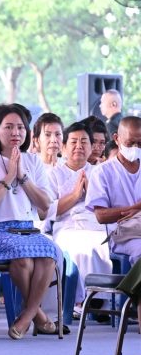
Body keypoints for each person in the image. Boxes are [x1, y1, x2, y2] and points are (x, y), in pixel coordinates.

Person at [0, 104, 60, 340]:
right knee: (22, 258)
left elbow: (45, 204)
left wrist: (22, 176)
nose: (15, 132)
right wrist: (9, 175)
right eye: (8, 127)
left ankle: (28, 314)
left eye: (20, 127)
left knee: (49, 252)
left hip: (27, 230)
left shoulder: (33, 161)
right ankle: (37, 316)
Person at [48, 121, 112, 318]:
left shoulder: (100, 172)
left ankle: (101, 299)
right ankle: (80, 300)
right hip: (68, 226)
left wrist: (91, 192)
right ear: (64, 147)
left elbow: (109, 206)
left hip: (97, 225)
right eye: (74, 142)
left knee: (104, 245)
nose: (79, 146)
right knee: (82, 247)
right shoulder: (53, 174)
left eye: (84, 142)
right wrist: (76, 195)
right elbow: (48, 211)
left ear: (92, 147)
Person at [86, 116, 141, 266]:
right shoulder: (102, 172)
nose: (135, 148)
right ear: (116, 138)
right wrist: (136, 208)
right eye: (130, 143)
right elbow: (101, 216)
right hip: (124, 236)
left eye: (140, 144)